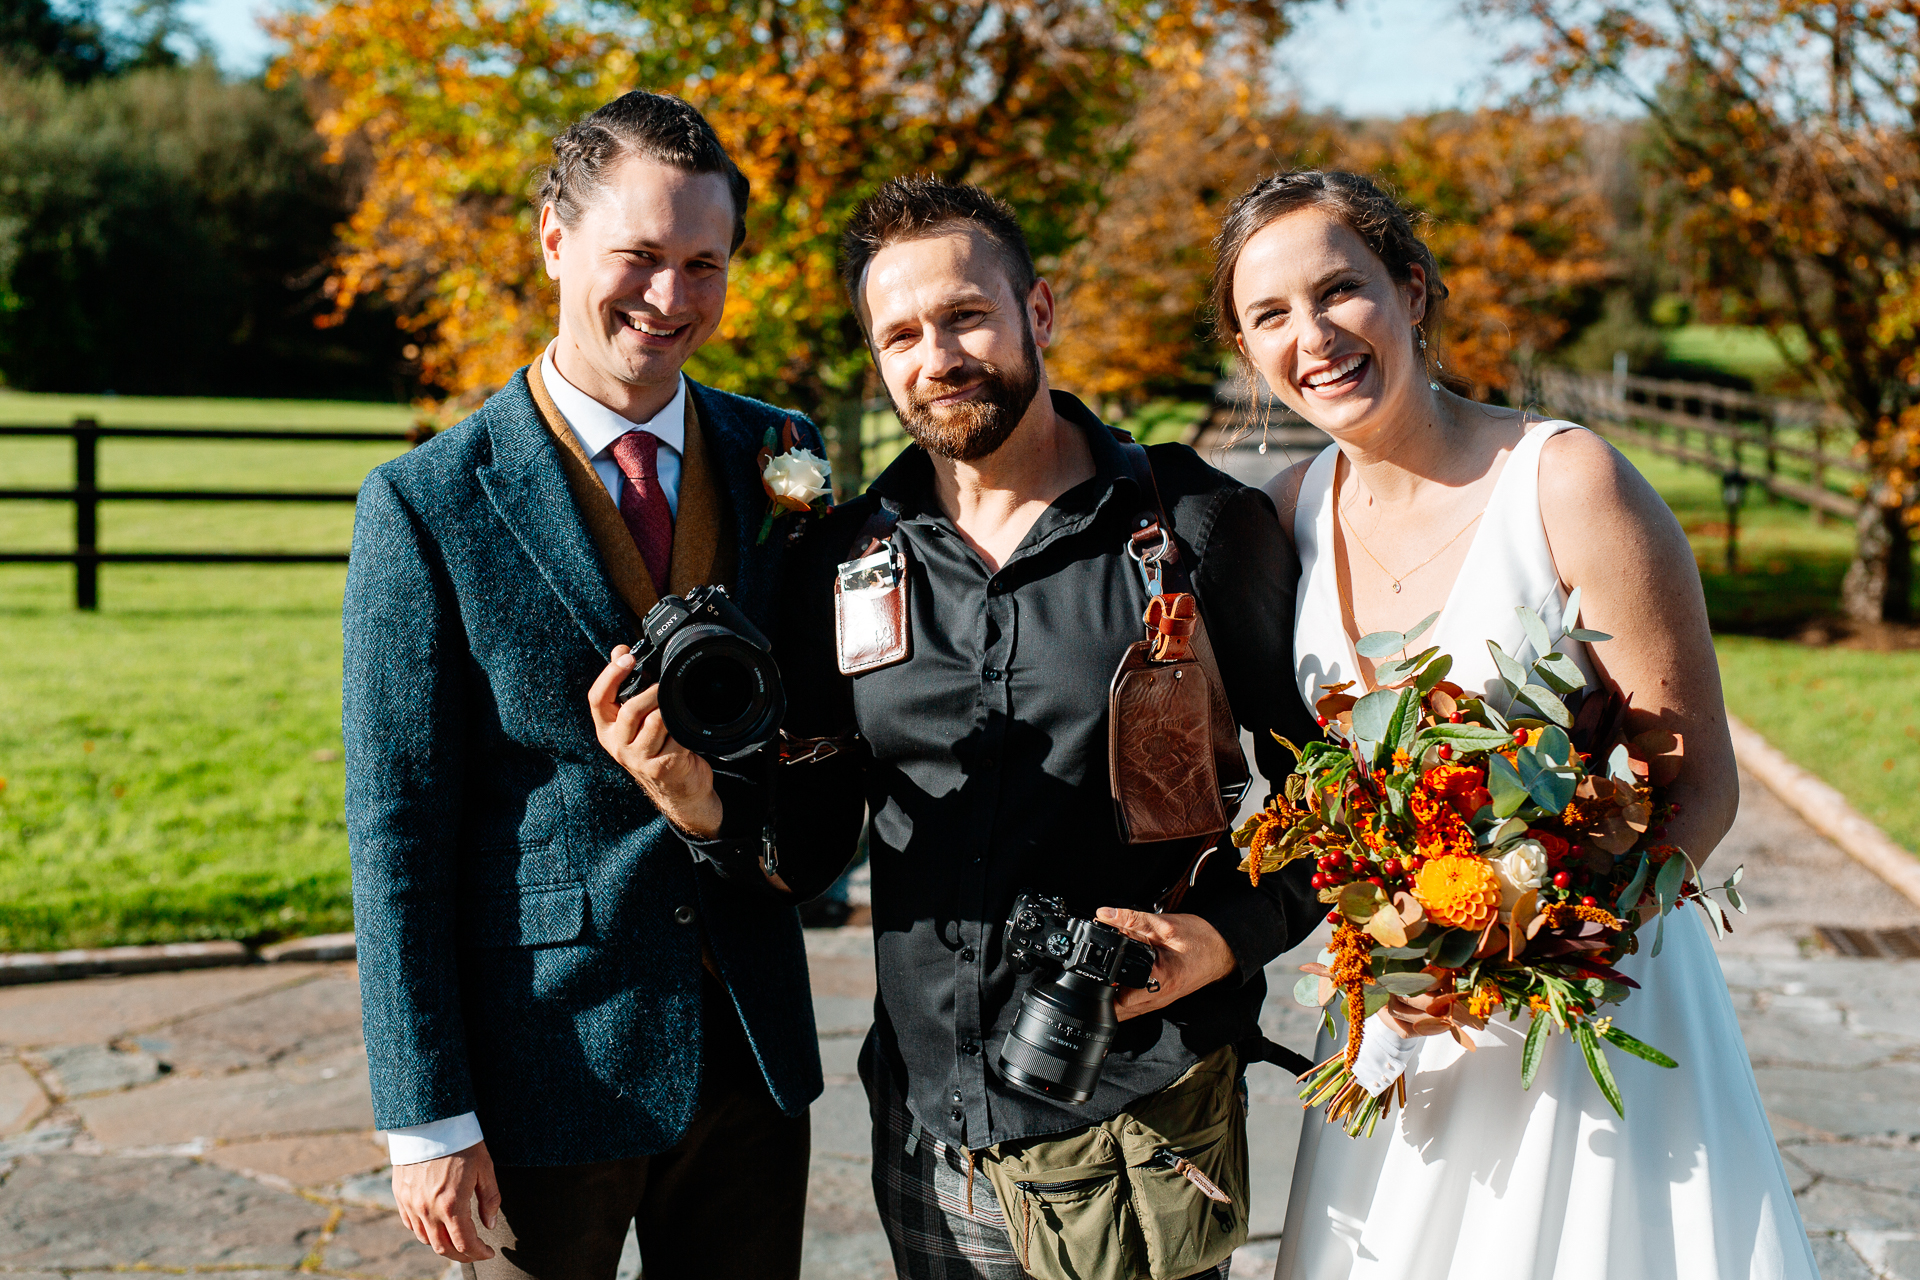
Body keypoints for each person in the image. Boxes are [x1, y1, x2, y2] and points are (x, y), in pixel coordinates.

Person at [595, 173, 1320, 1280]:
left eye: (966, 315)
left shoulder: (1198, 529)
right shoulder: (841, 561)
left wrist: (1230, 935)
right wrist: (697, 801)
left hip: (1137, 1130)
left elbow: (1337, 799)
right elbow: (816, 836)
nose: (938, 355)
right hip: (927, 1137)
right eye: (901, 334)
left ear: (1037, 312)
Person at [1207, 170, 1819, 1280]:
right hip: (1404, 1035)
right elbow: (1318, 788)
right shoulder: (1290, 514)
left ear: (1413, 288)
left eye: (1341, 289)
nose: (1314, 336)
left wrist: (1535, 950)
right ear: (1246, 347)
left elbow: (1701, 783)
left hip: (1587, 1019)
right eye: (1270, 315)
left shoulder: (1566, 480)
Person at [342, 90, 824, 1280]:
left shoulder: (782, 456)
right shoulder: (427, 503)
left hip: (752, 1049)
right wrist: (427, 1117)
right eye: (642, 257)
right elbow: (395, 826)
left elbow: (825, 739)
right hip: (540, 1061)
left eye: (703, 264)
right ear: (555, 239)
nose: (671, 299)